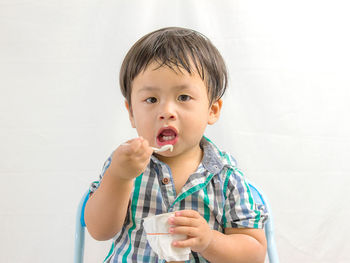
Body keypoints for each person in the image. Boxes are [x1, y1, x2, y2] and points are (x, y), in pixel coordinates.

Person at [85, 27, 268, 263]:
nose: (166, 111)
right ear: (131, 113)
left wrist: (210, 241)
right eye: (151, 99)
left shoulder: (226, 177)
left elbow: (254, 254)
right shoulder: (124, 164)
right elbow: (99, 230)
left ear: (212, 110)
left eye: (183, 97)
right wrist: (118, 177)